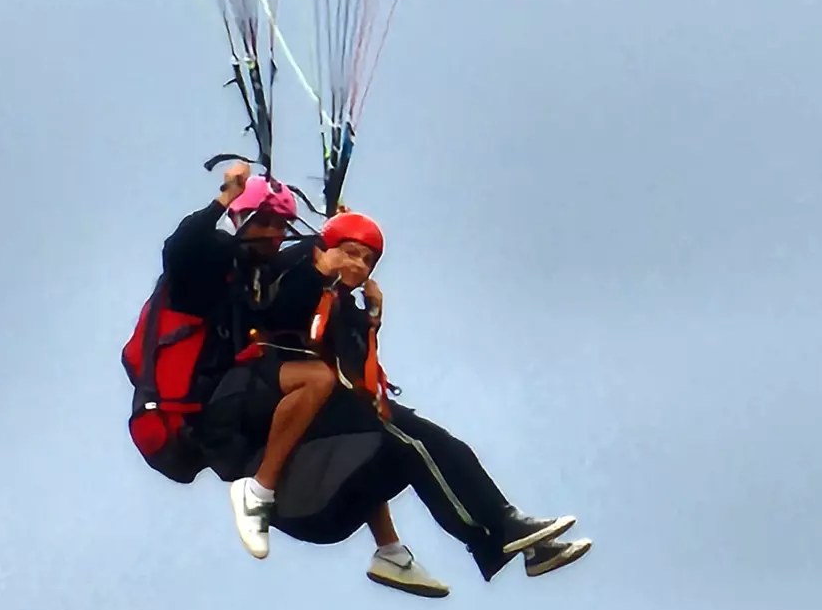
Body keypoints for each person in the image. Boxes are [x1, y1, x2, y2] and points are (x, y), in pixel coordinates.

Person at [222, 204, 591, 589]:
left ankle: (518, 541)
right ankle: (497, 534)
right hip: (293, 437)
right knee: (412, 443)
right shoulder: (296, 273)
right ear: (326, 249)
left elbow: (356, 372)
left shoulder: (343, 307)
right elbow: (273, 312)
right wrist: (318, 266)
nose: (358, 264)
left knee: (438, 442)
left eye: (367, 260)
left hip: (332, 452)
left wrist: (371, 321)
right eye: (350, 252)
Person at [155, 161, 451, 596]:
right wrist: (226, 196)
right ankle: (260, 492)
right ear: (242, 219)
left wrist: (362, 305)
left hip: (260, 390)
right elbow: (179, 251)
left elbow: (338, 345)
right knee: (317, 379)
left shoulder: (272, 271)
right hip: (221, 400)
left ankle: (390, 550)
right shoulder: (218, 261)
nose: (275, 233)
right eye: (265, 222)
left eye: (282, 225)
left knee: (363, 426)